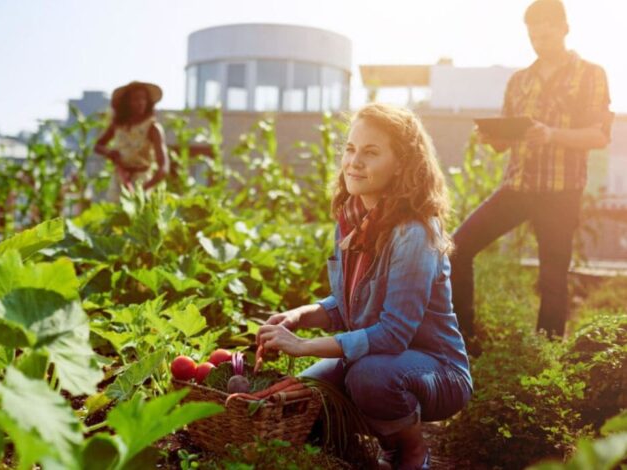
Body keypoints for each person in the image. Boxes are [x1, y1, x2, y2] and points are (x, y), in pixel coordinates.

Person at [256, 103, 472, 470]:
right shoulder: (353, 220)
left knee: (368, 378)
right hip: (374, 359)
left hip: (437, 371)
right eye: (351, 149)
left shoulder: (414, 234)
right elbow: (346, 304)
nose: (354, 161)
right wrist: (298, 317)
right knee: (305, 396)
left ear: (402, 164)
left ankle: (408, 449)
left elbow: (392, 335)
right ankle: (367, 444)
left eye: (371, 152)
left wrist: (304, 347)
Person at [450, 0, 613, 340]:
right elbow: (505, 143)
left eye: (546, 35)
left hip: (561, 191)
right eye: (534, 37)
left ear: (564, 28)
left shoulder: (590, 74)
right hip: (518, 187)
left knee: (553, 277)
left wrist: (552, 134)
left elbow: (599, 135)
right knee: (456, 247)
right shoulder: (519, 81)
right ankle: (464, 337)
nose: (539, 42)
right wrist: (491, 138)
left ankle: (546, 352)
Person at [94, 81, 169, 201]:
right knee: (113, 214)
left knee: (137, 216)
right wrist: (109, 153)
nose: (140, 103)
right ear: (126, 103)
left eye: (143, 99)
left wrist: (146, 187)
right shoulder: (118, 125)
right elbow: (98, 146)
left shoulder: (153, 128)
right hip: (119, 177)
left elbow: (163, 167)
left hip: (141, 179)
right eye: (135, 99)